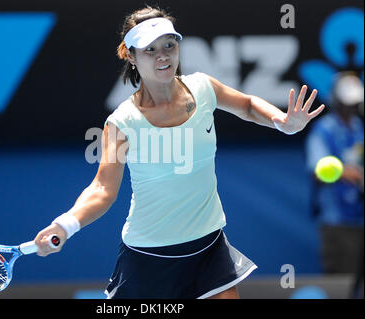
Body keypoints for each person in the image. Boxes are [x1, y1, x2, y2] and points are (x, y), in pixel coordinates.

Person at [33, 6, 325, 299]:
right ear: (131, 56)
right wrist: (65, 225)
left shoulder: (203, 88)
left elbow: (248, 105)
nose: (163, 56)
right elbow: (102, 188)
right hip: (148, 257)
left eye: (169, 46)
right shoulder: (123, 122)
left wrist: (282, 122)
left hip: (208, 246)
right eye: (150, 49)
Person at [305, 71, 364, 277]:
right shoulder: (324, 129)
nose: (352, 107)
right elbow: (317, 171)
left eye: (355, 102)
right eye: (348, 102)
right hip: (337, 223)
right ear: (336, 100)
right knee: (342, 283)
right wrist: (348, 174)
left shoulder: (358, 128)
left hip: (360, 219)